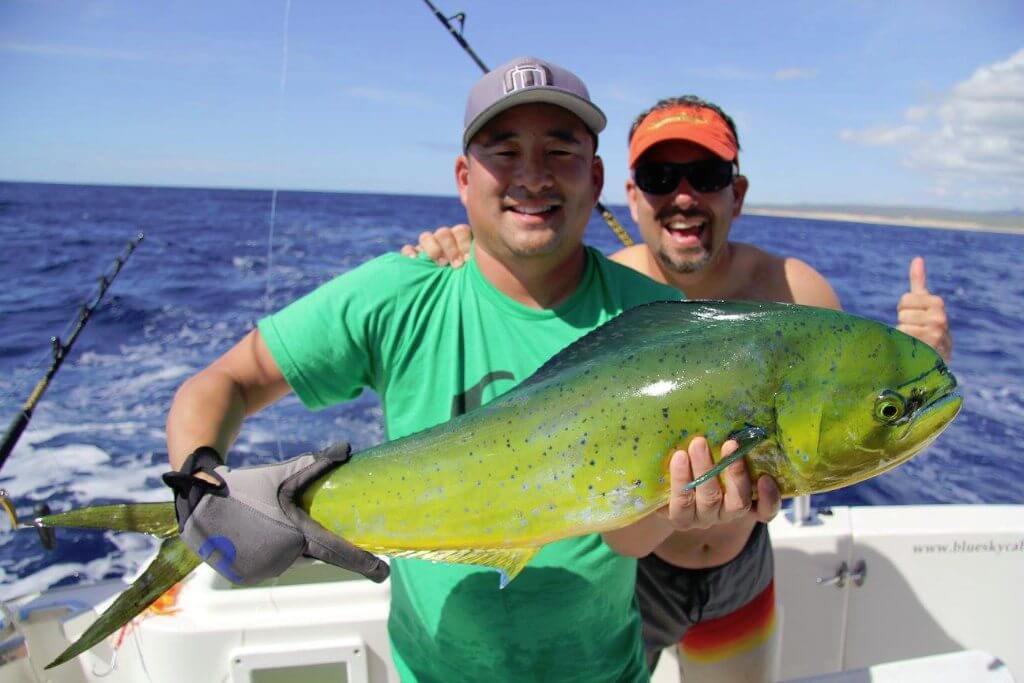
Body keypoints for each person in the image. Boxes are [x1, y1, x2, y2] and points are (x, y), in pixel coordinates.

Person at [163, 60, 778, 683]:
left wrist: (688, 505)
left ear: (594, 179)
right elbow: (225, 383)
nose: (532, 176)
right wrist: (197, 476)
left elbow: (624, 540)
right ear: (464, 178)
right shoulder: (398, 294)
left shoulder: (655, 323)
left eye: (560, 152)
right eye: (503, 152)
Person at [403, 95, 953, 681]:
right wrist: (455, 246)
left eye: (707, 176)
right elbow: (517, 271)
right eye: (660, 177)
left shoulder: (795, 292)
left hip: (742, 566)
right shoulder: (604, 294)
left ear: (735, 194)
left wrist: (924, 357)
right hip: (637, 580)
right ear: (633, 194)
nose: (684, 196)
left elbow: (860, 426)